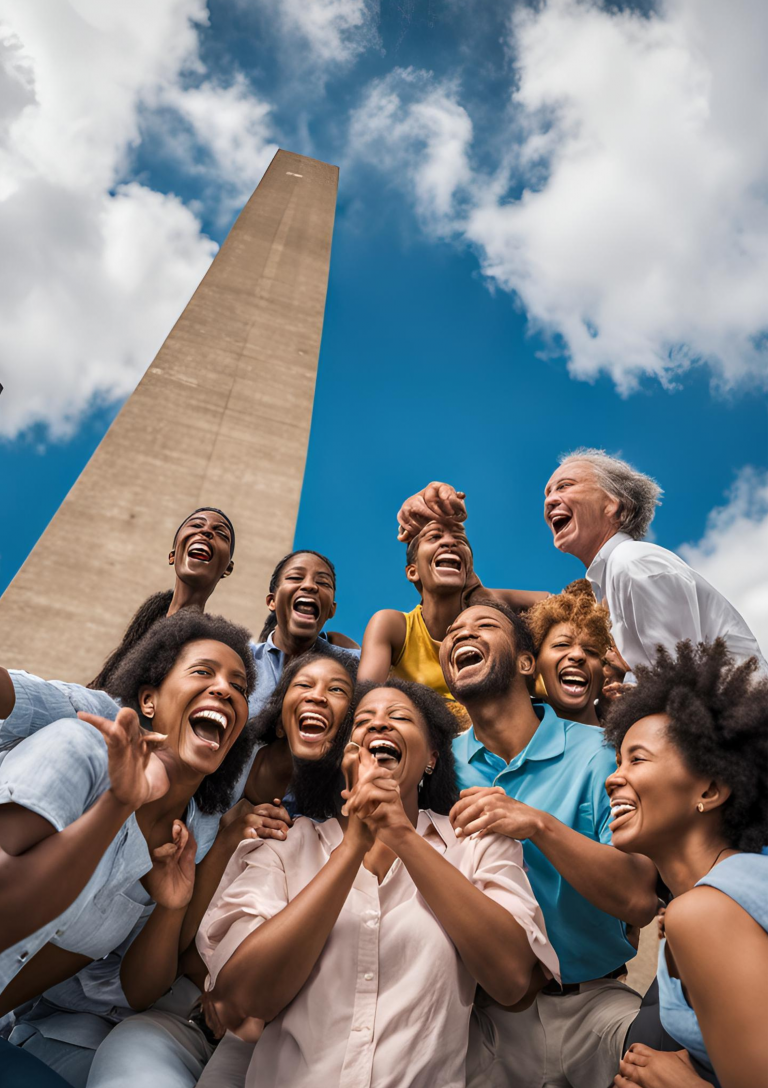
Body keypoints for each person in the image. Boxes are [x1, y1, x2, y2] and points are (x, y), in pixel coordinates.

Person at [195, 679, 560, 1088]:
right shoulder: (284, 847)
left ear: (431, 759)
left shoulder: (476, 845)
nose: (379, 726)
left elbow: (512, 982)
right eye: (363, 721)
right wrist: (352, 848)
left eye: (400, 717)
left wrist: (401, 834)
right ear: (342, 758)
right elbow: (242, 1000)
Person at [0, 611, 256, 1086]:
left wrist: (171, 906)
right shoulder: (81, 742)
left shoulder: (190, 838)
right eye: (203, 672)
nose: (225, 689)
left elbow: (139, 989)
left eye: (239, 685)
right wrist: (117, 806)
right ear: (148, 700)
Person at [83, 648, 358, 1088]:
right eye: (304, 685)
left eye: (338, 690)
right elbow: (177, 941)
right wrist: (229, 837)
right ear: (280, 702)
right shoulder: (216, 762)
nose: (319, 697)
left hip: (258, 1014)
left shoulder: (339, 816)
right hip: (146, 987)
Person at [440, 600, 659, 1088]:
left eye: (484, 625)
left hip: (598, 1005)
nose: (460, 634)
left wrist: (538, 824)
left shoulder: (601, 753)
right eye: (452, 631)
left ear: (525, 662)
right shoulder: (437, 768)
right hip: (487, 1020)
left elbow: (640, 900)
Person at [603, 640, 768, 1088]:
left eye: (637, 758)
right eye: (618, 760)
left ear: (709, 791)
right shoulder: (712, 898)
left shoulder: (705, 911)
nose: (612, 777)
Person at [0, 508, 236, 741]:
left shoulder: (213, 648)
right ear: (172, 555)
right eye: (196, 525)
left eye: (220, 533)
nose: (205, 532)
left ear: (228, 568)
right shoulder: (147, 626)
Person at [543, 449, 767, 676]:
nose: (549, 501)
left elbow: (681, 680)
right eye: (547, 493)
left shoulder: (631, 563)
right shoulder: (605, 586)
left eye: (565, 486)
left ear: (613, 504)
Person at [360, 483, 546, 711]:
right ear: (412, 571)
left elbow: (566, 606)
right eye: (434, 537)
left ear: (468, 567)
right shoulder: (393, 626)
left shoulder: (491, 618)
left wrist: (480, 592)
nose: (449, 542)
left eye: (460, 540)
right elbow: (365, 702)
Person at [249, 550, 359, 719]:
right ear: (272, 601)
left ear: (331, 610)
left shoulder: (357, 668)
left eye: (323, 582)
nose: (310, 586)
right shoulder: (243, 661)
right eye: (295, 577)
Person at [525, 579, 612, 726]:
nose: (578, 655)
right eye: (562, 644)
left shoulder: (630, 739)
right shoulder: (511, 739)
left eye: (591, 651)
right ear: (533, 664)